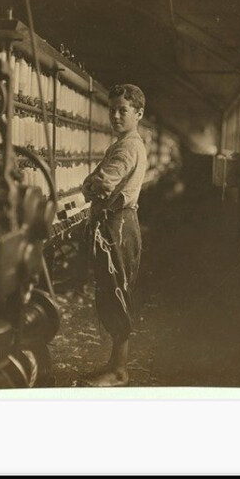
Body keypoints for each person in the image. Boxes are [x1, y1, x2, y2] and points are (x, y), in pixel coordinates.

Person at [79, 84, 148, 387]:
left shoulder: (127, 147)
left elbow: (102, 184)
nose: (116, 115)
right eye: (113, 110)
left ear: (139, 114)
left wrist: (90, 184)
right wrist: (90, 182)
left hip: (116, 225)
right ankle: (114, 365)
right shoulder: (125, 143)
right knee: (113, 289)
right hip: (119, 223)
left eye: (124, 110)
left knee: (116, 292)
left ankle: (119, 370)